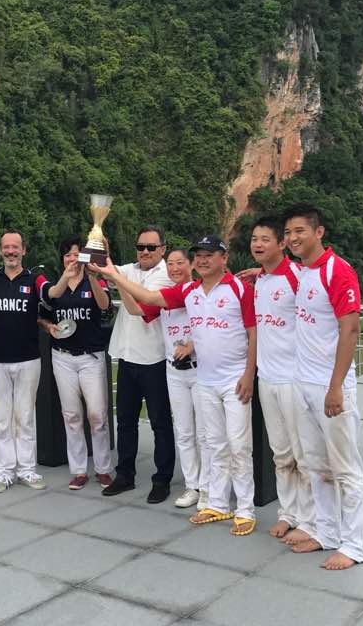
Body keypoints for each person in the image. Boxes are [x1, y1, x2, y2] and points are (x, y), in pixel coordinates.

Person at [97, 234, 258, 535]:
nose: (203, 260)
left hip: (234, 379)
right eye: (200, 255)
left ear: (224, 258)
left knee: (238, 444)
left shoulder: (239, 289)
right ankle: (217, 503)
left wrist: (249, 373)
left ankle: (246, 509)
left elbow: (253, 332)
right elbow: (149, 300)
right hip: (205, 379)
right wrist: (113, 275)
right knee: (215, 443)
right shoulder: (189, 292)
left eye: (210, 255)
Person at [282, 204, 363, 570]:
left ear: (319, 232)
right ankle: (327, 533)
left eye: (299, 231)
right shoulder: (303, 272)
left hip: (330, 387)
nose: (292, 238)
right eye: (288, 233)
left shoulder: (338, 270)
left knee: (345, 469)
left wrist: (336, 386)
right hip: (303, 384)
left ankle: (353, 545)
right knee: (317, 466)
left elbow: (351, 329)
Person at [114, 247, 209, 509]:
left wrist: (192, 344)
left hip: (200, 370)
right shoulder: (166, 296)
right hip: (174, 371)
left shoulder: (199, 291)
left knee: (204, 434)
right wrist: (118, 282)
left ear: (191, 265)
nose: (175, 268)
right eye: (171, 264)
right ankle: (192, 485)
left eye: (180, 263)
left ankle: (209, 488)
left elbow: (212, 325)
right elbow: (136, 310)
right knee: (185, 432)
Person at [250, 216, 315, 539]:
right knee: (281, 453)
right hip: (267, 378)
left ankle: (310, 520)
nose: (258, 244)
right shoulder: (260, 281)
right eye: (254, 239)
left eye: (265, 239)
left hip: (294, 379)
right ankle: (288, 513)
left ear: (281, 243)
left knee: (303, 454)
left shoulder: (297, 277)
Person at [101, 225, 176, 503]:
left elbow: (138, 307)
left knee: (160, 423)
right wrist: (100, 247)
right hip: (128, 356)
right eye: (140, 246)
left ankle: (162, 479)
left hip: (154, 359)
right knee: (125, 422)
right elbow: (105, 270)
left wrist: (116, 278)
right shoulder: (130, 269)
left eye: (151, 247)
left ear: (162, 249)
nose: (145, 251)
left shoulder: (166, 276)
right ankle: (125, 475)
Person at [40, 235, 113, 491]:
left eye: (76, 253)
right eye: (68, 254)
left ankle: (103, 468)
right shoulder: (56, 284)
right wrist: (48, 326)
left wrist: (92, 276)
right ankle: (79, 470)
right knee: (71, 415)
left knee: (97, 415)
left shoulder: (94, 280)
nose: (72, 258)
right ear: (62, 258)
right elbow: (44, 312)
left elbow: (104, 305)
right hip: (63, 356)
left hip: (91, 356)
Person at [0, 229, 47, 493]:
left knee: (25, 417)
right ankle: (4, 472)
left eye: (15, 247)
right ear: (1, 251)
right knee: (2, 419)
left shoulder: (34, 279)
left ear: (24, 250)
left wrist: (68, 275)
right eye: (6, 247)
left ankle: (27, 470)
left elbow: (51, 294)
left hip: (28, 359)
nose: (11, 251)